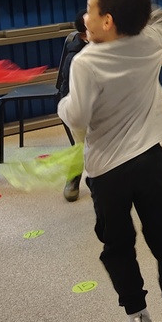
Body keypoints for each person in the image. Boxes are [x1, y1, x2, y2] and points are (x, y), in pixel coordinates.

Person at [58, 0, 162, 322]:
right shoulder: (150, 41)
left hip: (107, 172)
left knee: (118, 246)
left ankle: (138, 319)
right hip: (151, 163)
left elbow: (78, 117)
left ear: (107, 21)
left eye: (90, 9)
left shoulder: (85, 62)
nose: (84, 16)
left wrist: (62, 106)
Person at [60, 11, 90, 202]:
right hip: (80, 107)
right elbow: (74, 95)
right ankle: (74, 177)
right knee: (82, 146)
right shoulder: (76, 57)